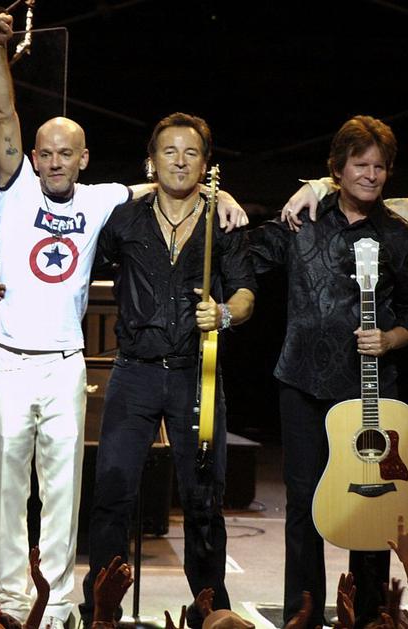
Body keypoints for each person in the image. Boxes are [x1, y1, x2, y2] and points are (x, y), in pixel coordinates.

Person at [0, 12, 248, 629]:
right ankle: (14, 600)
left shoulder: (104, 199)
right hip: (9, 362)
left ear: (84, 158)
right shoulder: (16, 189)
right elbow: (3, 117)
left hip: (67, 363)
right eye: (45, 153)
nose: (53, 162)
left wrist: (220, 194)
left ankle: (60, 605)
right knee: (9, 492)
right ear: (33, 157)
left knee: (65, 494)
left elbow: (169, 184)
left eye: (65, 153)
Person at [247, 115, 408, 628]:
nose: (371, 176)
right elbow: (246, 257)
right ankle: (302, 616)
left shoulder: (398, 236)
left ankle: (371, 617)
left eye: (380, 167)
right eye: (360, 165)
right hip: (304, 384)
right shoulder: (303, 219)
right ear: (337, 168)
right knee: (304, 505)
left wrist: (392, 338)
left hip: (372, 394)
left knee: (372, 509)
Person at [78, 111, 256, 629]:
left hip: (194, 374)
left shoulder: (223, 223)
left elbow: (246, 293)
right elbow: (83, 260)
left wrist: (224, 313)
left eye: (191, 152)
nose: (180, 161)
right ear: (151, 161)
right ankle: (102, 609)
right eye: (169, 151)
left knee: (204, 499)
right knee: (112, 493)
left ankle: (210, 612)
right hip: (133, 373)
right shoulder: (124, 220)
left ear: (206, 162)